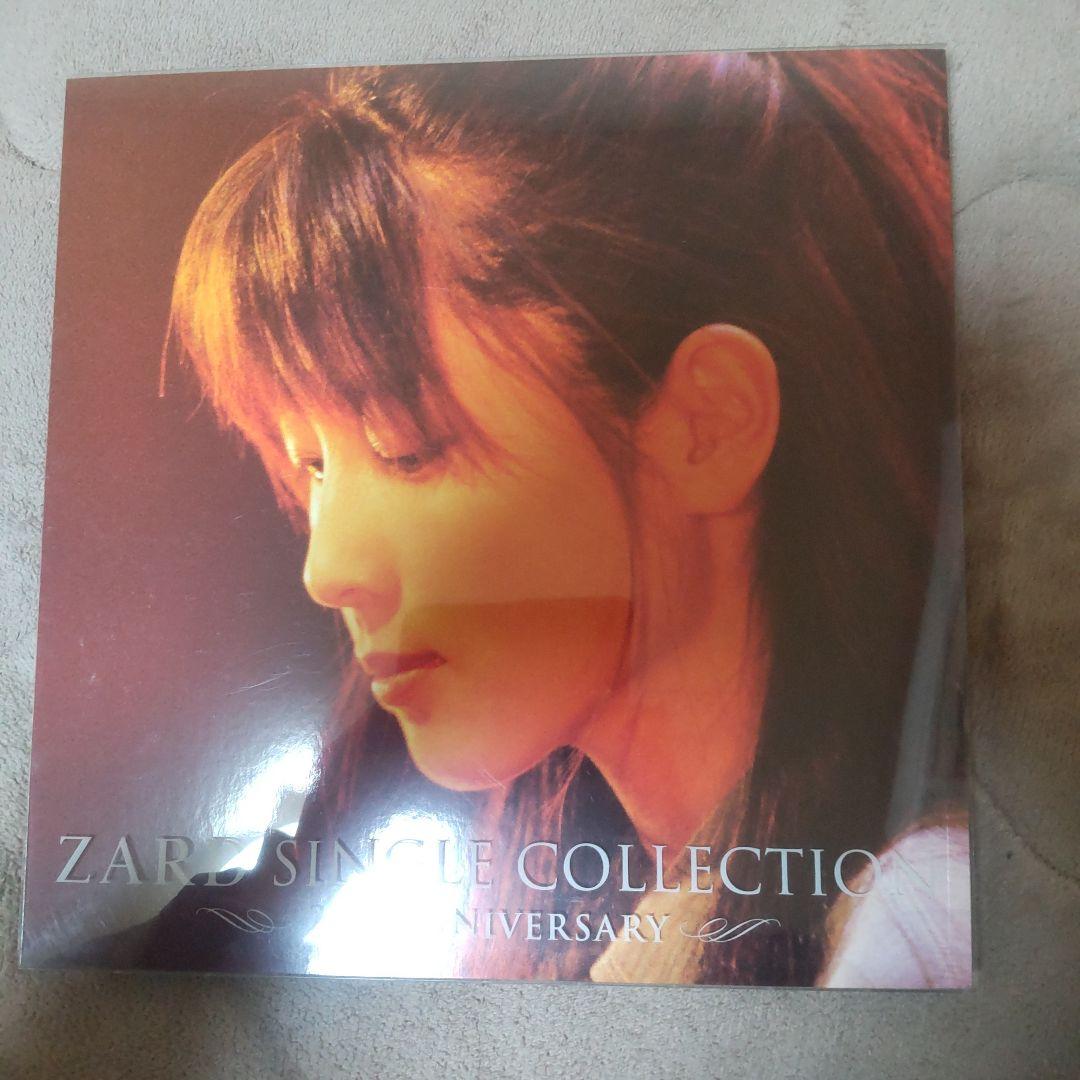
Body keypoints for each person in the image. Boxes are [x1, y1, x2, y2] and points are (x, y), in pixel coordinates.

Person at [140, 49, 968, 986]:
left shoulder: (908, 937)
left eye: (408, 447)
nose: (327, 569)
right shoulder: (579, 911)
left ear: (710, 425)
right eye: (313, 469)